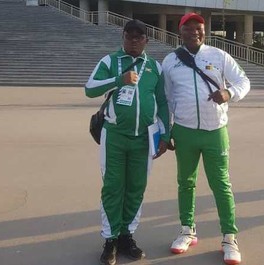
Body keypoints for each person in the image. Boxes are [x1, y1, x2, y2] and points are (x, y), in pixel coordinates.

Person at [162, 13, 250, 265]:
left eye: (199, 28)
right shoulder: (170, 62)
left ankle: (229, 237)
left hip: (215, 132)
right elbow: (166, 100)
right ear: (180, 32)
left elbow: (243, 81)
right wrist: (166, 132)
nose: (195, 32)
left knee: (221, 184)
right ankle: (187, 230)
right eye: (188, 29)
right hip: (184, 131)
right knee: (185, 182)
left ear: (205, 31)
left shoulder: (219, 56)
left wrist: (229, 92)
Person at [85, 19, 170, 265]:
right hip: (115, 137)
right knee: (113, 187)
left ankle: (126, 236)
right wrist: (118, 80)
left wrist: (165, 135)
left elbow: (163, 102)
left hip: (144, 138)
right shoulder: (110, 61)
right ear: (122, 37)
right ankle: (110, 240)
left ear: (146, 40)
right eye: (129, 36)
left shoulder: (155, 67)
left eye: (139, 37)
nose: (133, 40)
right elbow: (90, 88)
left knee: (136, 188)